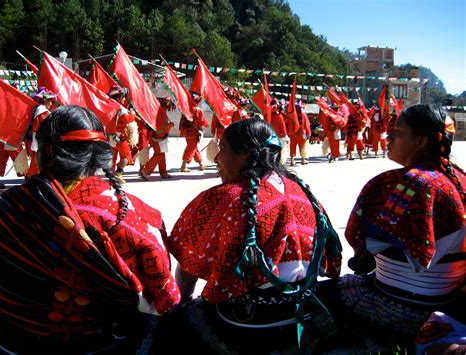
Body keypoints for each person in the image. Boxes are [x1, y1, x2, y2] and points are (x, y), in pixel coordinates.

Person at [0, 105, 180, 353]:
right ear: (100, 152)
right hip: (95, 343)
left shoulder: (12, 203)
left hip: (11, 342)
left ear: (46, 151)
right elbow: (164, 297)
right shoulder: (127, 212)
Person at [157, 119, 343, 353]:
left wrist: (182, 305)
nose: (216, 159)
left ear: (245, 154)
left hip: (249, 324)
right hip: (304, 316)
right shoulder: (303, 192)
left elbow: (188, 267)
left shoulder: (228, 197)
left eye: (222, 149)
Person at [321, 104, 465, 350]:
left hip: (404, 305)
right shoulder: (460, 179)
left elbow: (363, 250)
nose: (389, 136)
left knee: (316, 296)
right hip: (450, 302)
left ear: (420, 141)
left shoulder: (395, 184)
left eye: (398, 132)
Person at [107, 85, 139, 184]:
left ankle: (111, 174)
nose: (124, 99)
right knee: (126, 157)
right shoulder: (119, 108)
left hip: (111, 136)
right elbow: (127, 119)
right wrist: (132, 114)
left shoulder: (109, 106)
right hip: (119, 137)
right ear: (119, 98)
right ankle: (118, 173)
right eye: (123, 97)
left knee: (113, 155)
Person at [179, 93, 209, 173]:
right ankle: (183, 166)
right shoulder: (198, 110)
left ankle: (200, 164)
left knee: (193, 148)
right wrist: (206, 123)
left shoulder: (186, 109)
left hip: (186, 132)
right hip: (194, 132)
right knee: (190, 148)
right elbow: (202, 121)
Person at [287, 100, 311, 166]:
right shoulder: (303, 114)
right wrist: (308, 133)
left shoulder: (291, 115)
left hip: (292, 133)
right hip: (301, 133)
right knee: (303, 146)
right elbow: (307, 124)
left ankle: (292, 160)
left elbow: (287, 123)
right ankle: (303, 159)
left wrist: (288, 132)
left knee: (292, 146)